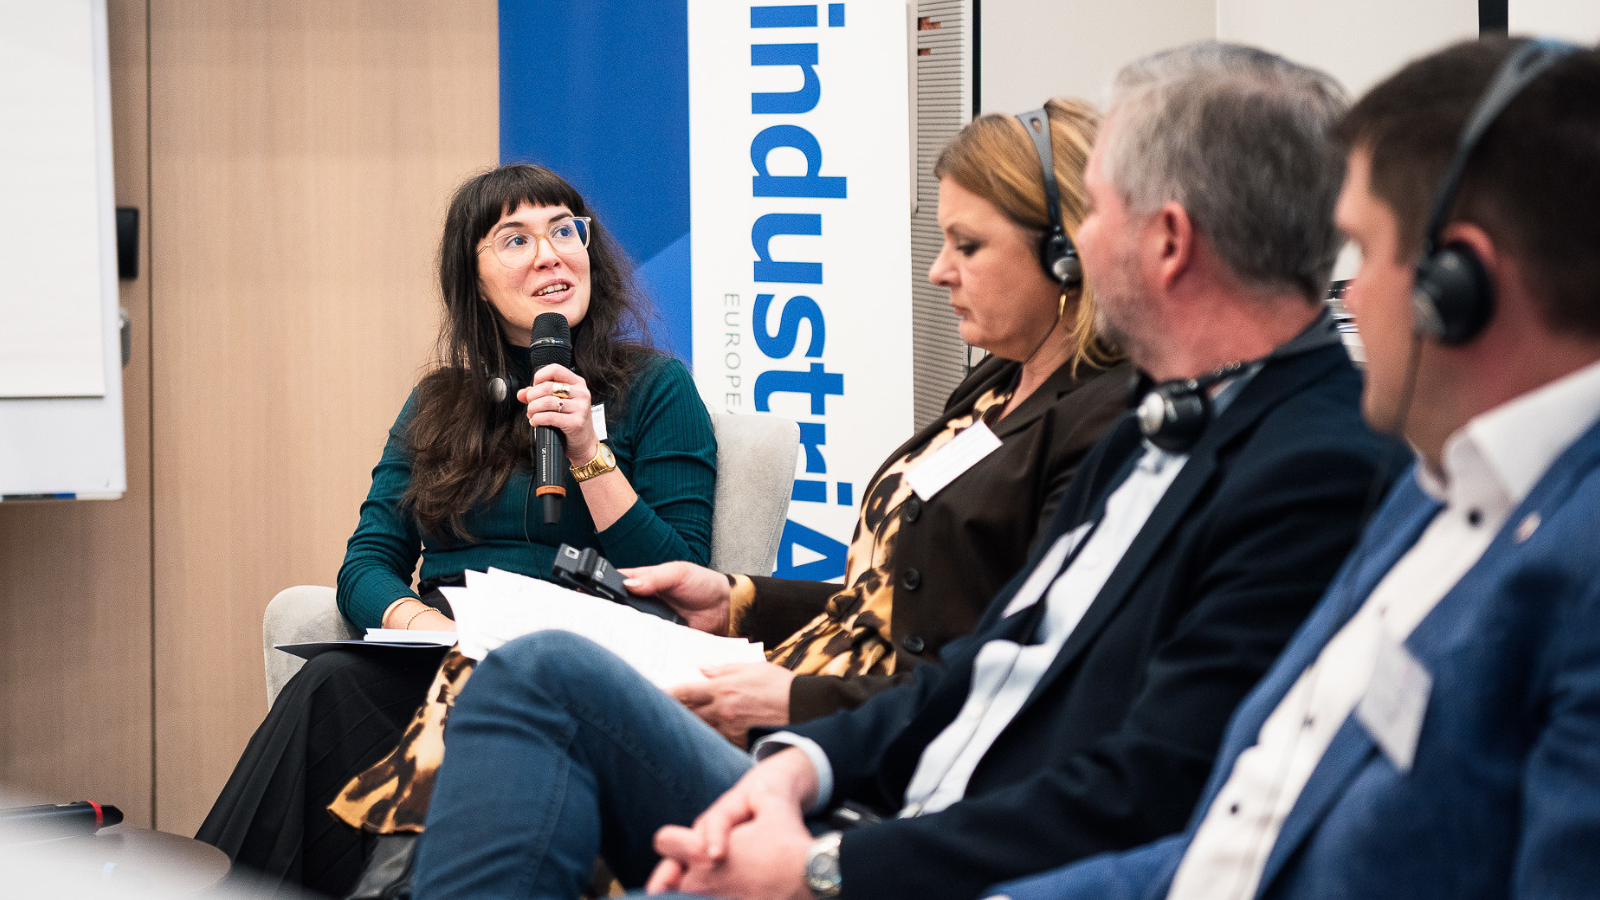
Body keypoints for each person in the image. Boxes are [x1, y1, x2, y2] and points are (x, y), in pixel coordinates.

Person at [408, 45, 1399, 900]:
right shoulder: (1171, 419)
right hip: (880, 788)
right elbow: (996, 661)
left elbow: (1145, 785)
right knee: (528, 677)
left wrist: (826, 863)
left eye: (1094, 212)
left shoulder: (1303, 466)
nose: (941, 269)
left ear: (1166, 242)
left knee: (539, 676)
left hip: (923, 846)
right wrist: (802, 764)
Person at [987, 36, 1600, 900]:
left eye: (1365, 251)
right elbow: (1225, 848)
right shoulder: (1434, 488)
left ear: (1458, 286)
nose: (1347, 296)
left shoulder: (1574, 567)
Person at [195, 163, 718, 896]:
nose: (549, 255)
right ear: (474, 281)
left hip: (579, 663)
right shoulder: (439, 402)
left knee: (464, 697)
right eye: (515, 239)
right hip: (445, 647)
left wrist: (586, 454)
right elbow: (367, 564)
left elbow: (682, 575)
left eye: (564, 231)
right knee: (329, 684)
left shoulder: (657, 389)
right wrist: (426, 625)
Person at [625, 97, 1131, 744]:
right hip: (803, 707)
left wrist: (793, 702)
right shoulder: (997, 380)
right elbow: (894, 606)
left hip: (854, 749)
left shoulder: (1107, 424)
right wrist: (737, 600)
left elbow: (1009, 681)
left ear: (1068, 253)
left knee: (549, 676)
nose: (939, 271)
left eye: (968, 246)